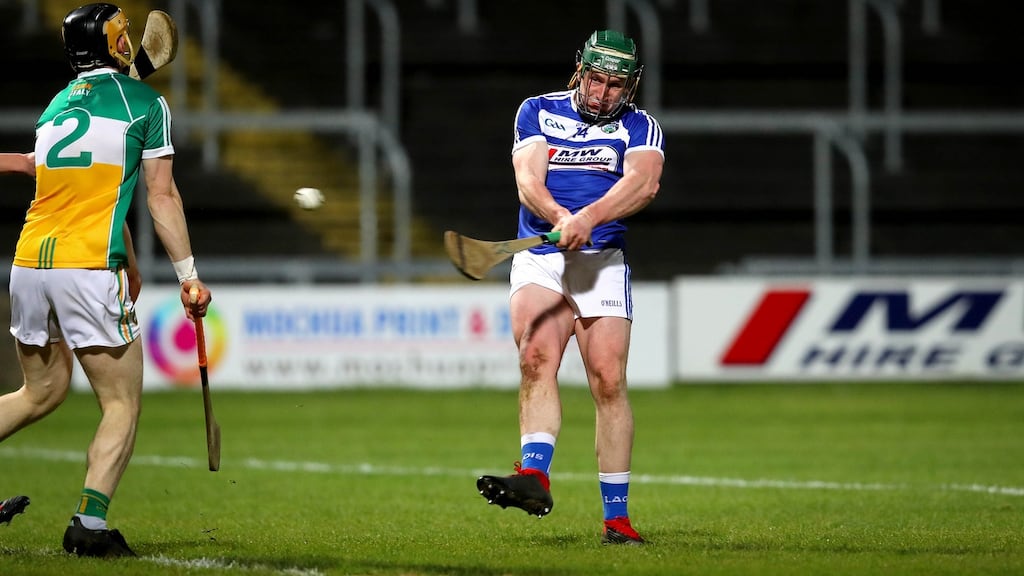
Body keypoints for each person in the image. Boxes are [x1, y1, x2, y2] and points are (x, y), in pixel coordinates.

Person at [0, 3, 211, 558]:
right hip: (88, 270)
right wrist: (188, 276)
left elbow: (55, 175)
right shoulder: (146, 104)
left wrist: (133, 265)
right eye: (123, 32)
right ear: (118, 45)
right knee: (121, 404)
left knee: (39, 392)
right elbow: (159, 195)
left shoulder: (57, 106)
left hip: (28, 266)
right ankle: (89, 527)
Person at [475, 29, 664, 546]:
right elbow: (527, 179)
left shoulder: (640, 126)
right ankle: (535, 476)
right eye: (597, 80)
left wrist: (590, 217)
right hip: (540, 257)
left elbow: (643, 183)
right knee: (535, 356)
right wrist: (560, 216)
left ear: (630, 86)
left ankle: (617, 522)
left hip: (600, 262)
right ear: (580, 69)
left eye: (615, 85)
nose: (604, 93)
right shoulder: (536, 110)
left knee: (607, 379)